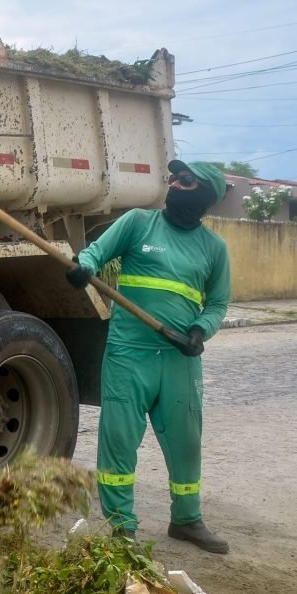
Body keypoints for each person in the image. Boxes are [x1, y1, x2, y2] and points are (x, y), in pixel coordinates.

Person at [66, 160, 231, 553]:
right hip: (128, 353)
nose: (175, 183)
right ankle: (122, 527)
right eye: (174, 178)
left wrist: (198, 331)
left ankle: (187, 520)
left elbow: (218, 304)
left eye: (186, 180)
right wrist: (82, 267)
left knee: (186, 443)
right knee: (119, 441)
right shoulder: (139, 222)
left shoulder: (214, 248)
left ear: (207, 194)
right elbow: (94, 254)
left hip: (179, 359)